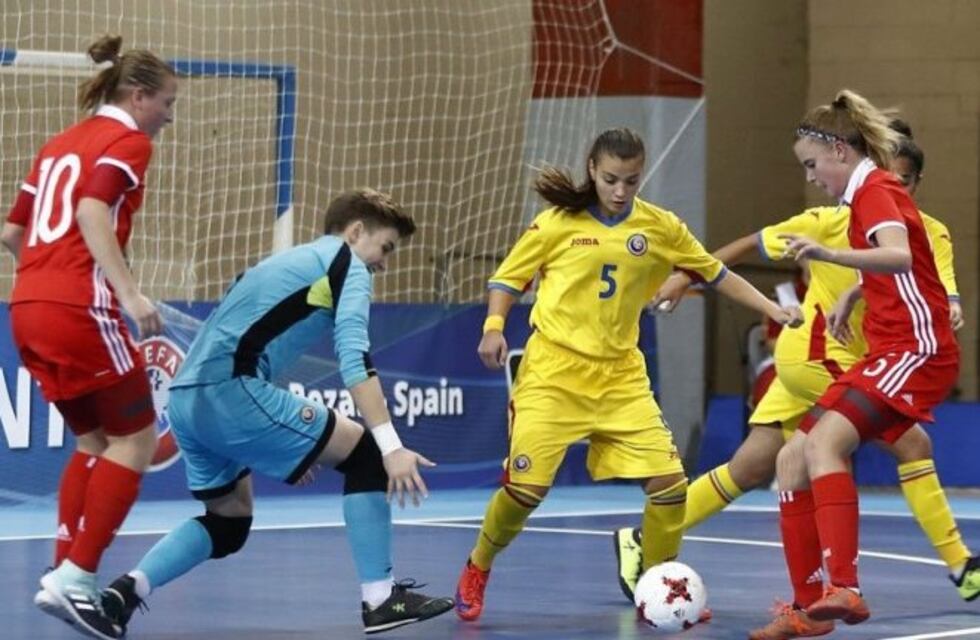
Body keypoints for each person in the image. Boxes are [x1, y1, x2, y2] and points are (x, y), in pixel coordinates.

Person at [613, 123, 977, 633]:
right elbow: (749, 244)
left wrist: (948, 306)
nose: (893, 187)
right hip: (820, 361)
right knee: (901, 445)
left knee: (762, 464)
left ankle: (648, 538)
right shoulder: (833, 218)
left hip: (853, 364)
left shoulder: (927, 229)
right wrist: (685, 274)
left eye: (905, 179)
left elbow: (937, 285)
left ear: (914, 182)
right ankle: (957, 565)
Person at [453, 127, 802, 622]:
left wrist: (773, 307)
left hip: (621, 377)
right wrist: (493, 327)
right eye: (612, 179)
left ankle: (658, 585)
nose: (621, 190)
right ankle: (478, 566)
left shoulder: (659, 227)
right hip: (555, 372)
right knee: (525, 491)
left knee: (670, 485)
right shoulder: (557, 224)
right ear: (593, 169)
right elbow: (508, 278)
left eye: (632, 180)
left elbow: (714, 273)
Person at [96, 189, 454, 636]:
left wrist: (276, 443)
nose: (384, 263)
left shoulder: (276, 263)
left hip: (187, 400)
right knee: (365, 456)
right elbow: (355, 361)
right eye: (385, 248)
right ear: (356, 232)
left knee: (229, 522)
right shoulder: (348, 266)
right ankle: (381, 599)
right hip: (231, 392)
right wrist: (392, 447)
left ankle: (124, 592)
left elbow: (240, 341)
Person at [746, 89, 961, 637]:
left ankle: (847, 586)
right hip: (892, 346)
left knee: (824, 444)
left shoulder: (875, 189)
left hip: (917, 349)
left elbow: (900, 253)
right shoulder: (863, 194)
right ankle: (806, 609)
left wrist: (829, 256)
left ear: (838, 151)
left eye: (812, 164)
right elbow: (899, 265)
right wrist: (856, 292)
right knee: (791, 461)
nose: (812, 176)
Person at [0, 34, 175, 640]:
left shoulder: (57, 145)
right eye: (166, 104)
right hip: (79, 309)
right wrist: (127, 294)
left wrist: (48, 274)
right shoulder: (127, 141)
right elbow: (92, 211)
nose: (168, 118)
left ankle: (62, 569)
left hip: (26, 304)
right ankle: (77, 578)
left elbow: (12, 233)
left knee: (93, 440)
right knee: (138, 441)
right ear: (138, 94)